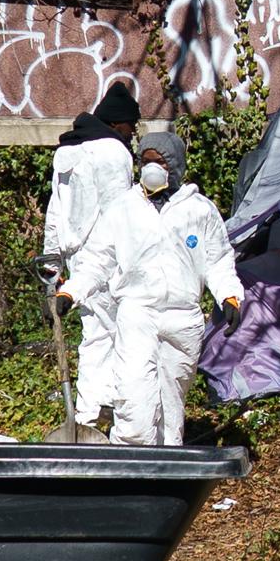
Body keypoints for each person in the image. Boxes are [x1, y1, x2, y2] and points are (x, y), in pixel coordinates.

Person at [55, 130, 243, 446]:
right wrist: (71, 291)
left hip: (183, 318)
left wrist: (229, 296)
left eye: (159, 161)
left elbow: (218, 260)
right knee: (132, 397)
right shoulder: (123, 208)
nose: (151, 168)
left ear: (176, 166)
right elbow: (99, 259)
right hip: (136, 313)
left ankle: (166, 468)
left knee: (172, 403)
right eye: (145, 161)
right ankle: (128, 465)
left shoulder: (199, 210)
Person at [42, 81, 140, 431]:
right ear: (117, 123)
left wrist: (52, 265)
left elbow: (55, 212)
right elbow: (120, 212)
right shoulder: (114, 154)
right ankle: (111, 408)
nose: (134, 132)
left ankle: (86, 413)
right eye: (131, 125)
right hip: (105, 259)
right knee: (118, 333)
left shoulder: (68, 153)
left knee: (93, 334)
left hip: (76, 259)